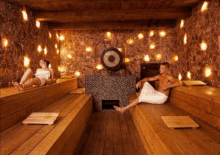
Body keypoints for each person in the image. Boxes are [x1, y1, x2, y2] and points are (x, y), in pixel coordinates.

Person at [113, 62, 182, 113]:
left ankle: (123, 109)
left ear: (167, 69)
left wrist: (167, 86)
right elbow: (148, 79)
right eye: (160, 68)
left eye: (162, 68)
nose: (160, 69)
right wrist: (140, 81)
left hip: (161, 98)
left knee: (141, 98)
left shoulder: (169, 77)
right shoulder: (159, 76)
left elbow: (179, 82)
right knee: (145, 83)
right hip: (156, 93)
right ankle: (138, 99)